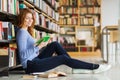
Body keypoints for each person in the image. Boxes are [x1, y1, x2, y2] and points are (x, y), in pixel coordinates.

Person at [16, 8, 111, 74]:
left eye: (31, 18)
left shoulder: (26, 31)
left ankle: (74, 65)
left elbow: (31, 51)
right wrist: (39, 46)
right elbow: (23, 56)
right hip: (30, 66)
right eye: (27, 18)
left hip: (35, 60)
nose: (30, 20)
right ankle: (94, 67)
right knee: (62, 58)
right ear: (22, 18)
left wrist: (40, 44)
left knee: (55, 44)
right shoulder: (22, 32)